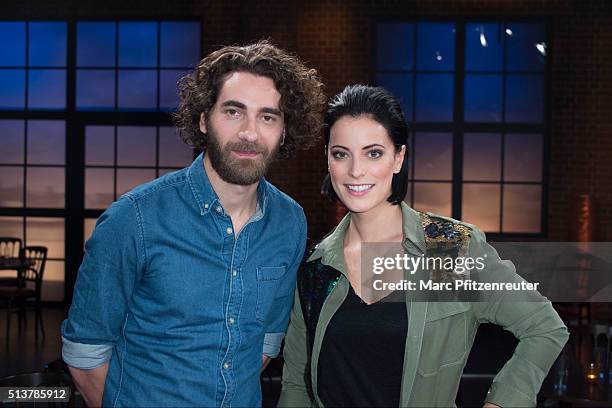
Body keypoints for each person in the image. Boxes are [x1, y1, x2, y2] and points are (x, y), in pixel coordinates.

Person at [61, 41, 325, 407]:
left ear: (284, 130)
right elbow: (85, 353)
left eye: (268, 116)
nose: (250, 132)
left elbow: (266, 340)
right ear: (203, 119)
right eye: (233, 112)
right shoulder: (133, 219)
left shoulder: (290, 221)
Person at [278, 85, 568, 407]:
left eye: (373, 153)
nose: (355, 170)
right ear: (328, 160)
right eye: (341, 154)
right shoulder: (315, 269)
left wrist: (502, 401)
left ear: (398, 158)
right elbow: (295, 383)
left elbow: (545, 328)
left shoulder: (448, 248)